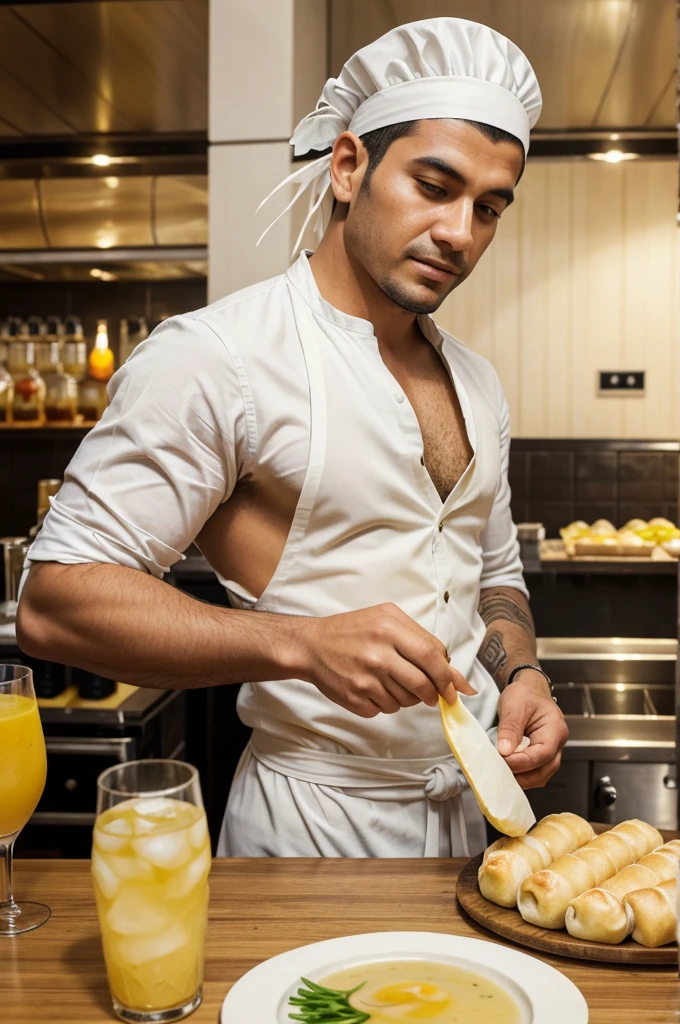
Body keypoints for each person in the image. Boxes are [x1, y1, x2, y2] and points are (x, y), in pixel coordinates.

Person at [18, 17, 568, 858]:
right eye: (433, 185)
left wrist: (521, 673)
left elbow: (494, 576)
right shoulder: (218, 357)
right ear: (349, 166)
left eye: (488, 207)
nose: (461, 233)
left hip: (470, 823)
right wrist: (298, 644)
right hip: (311, 828)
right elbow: (54, 604)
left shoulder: (478, 383)